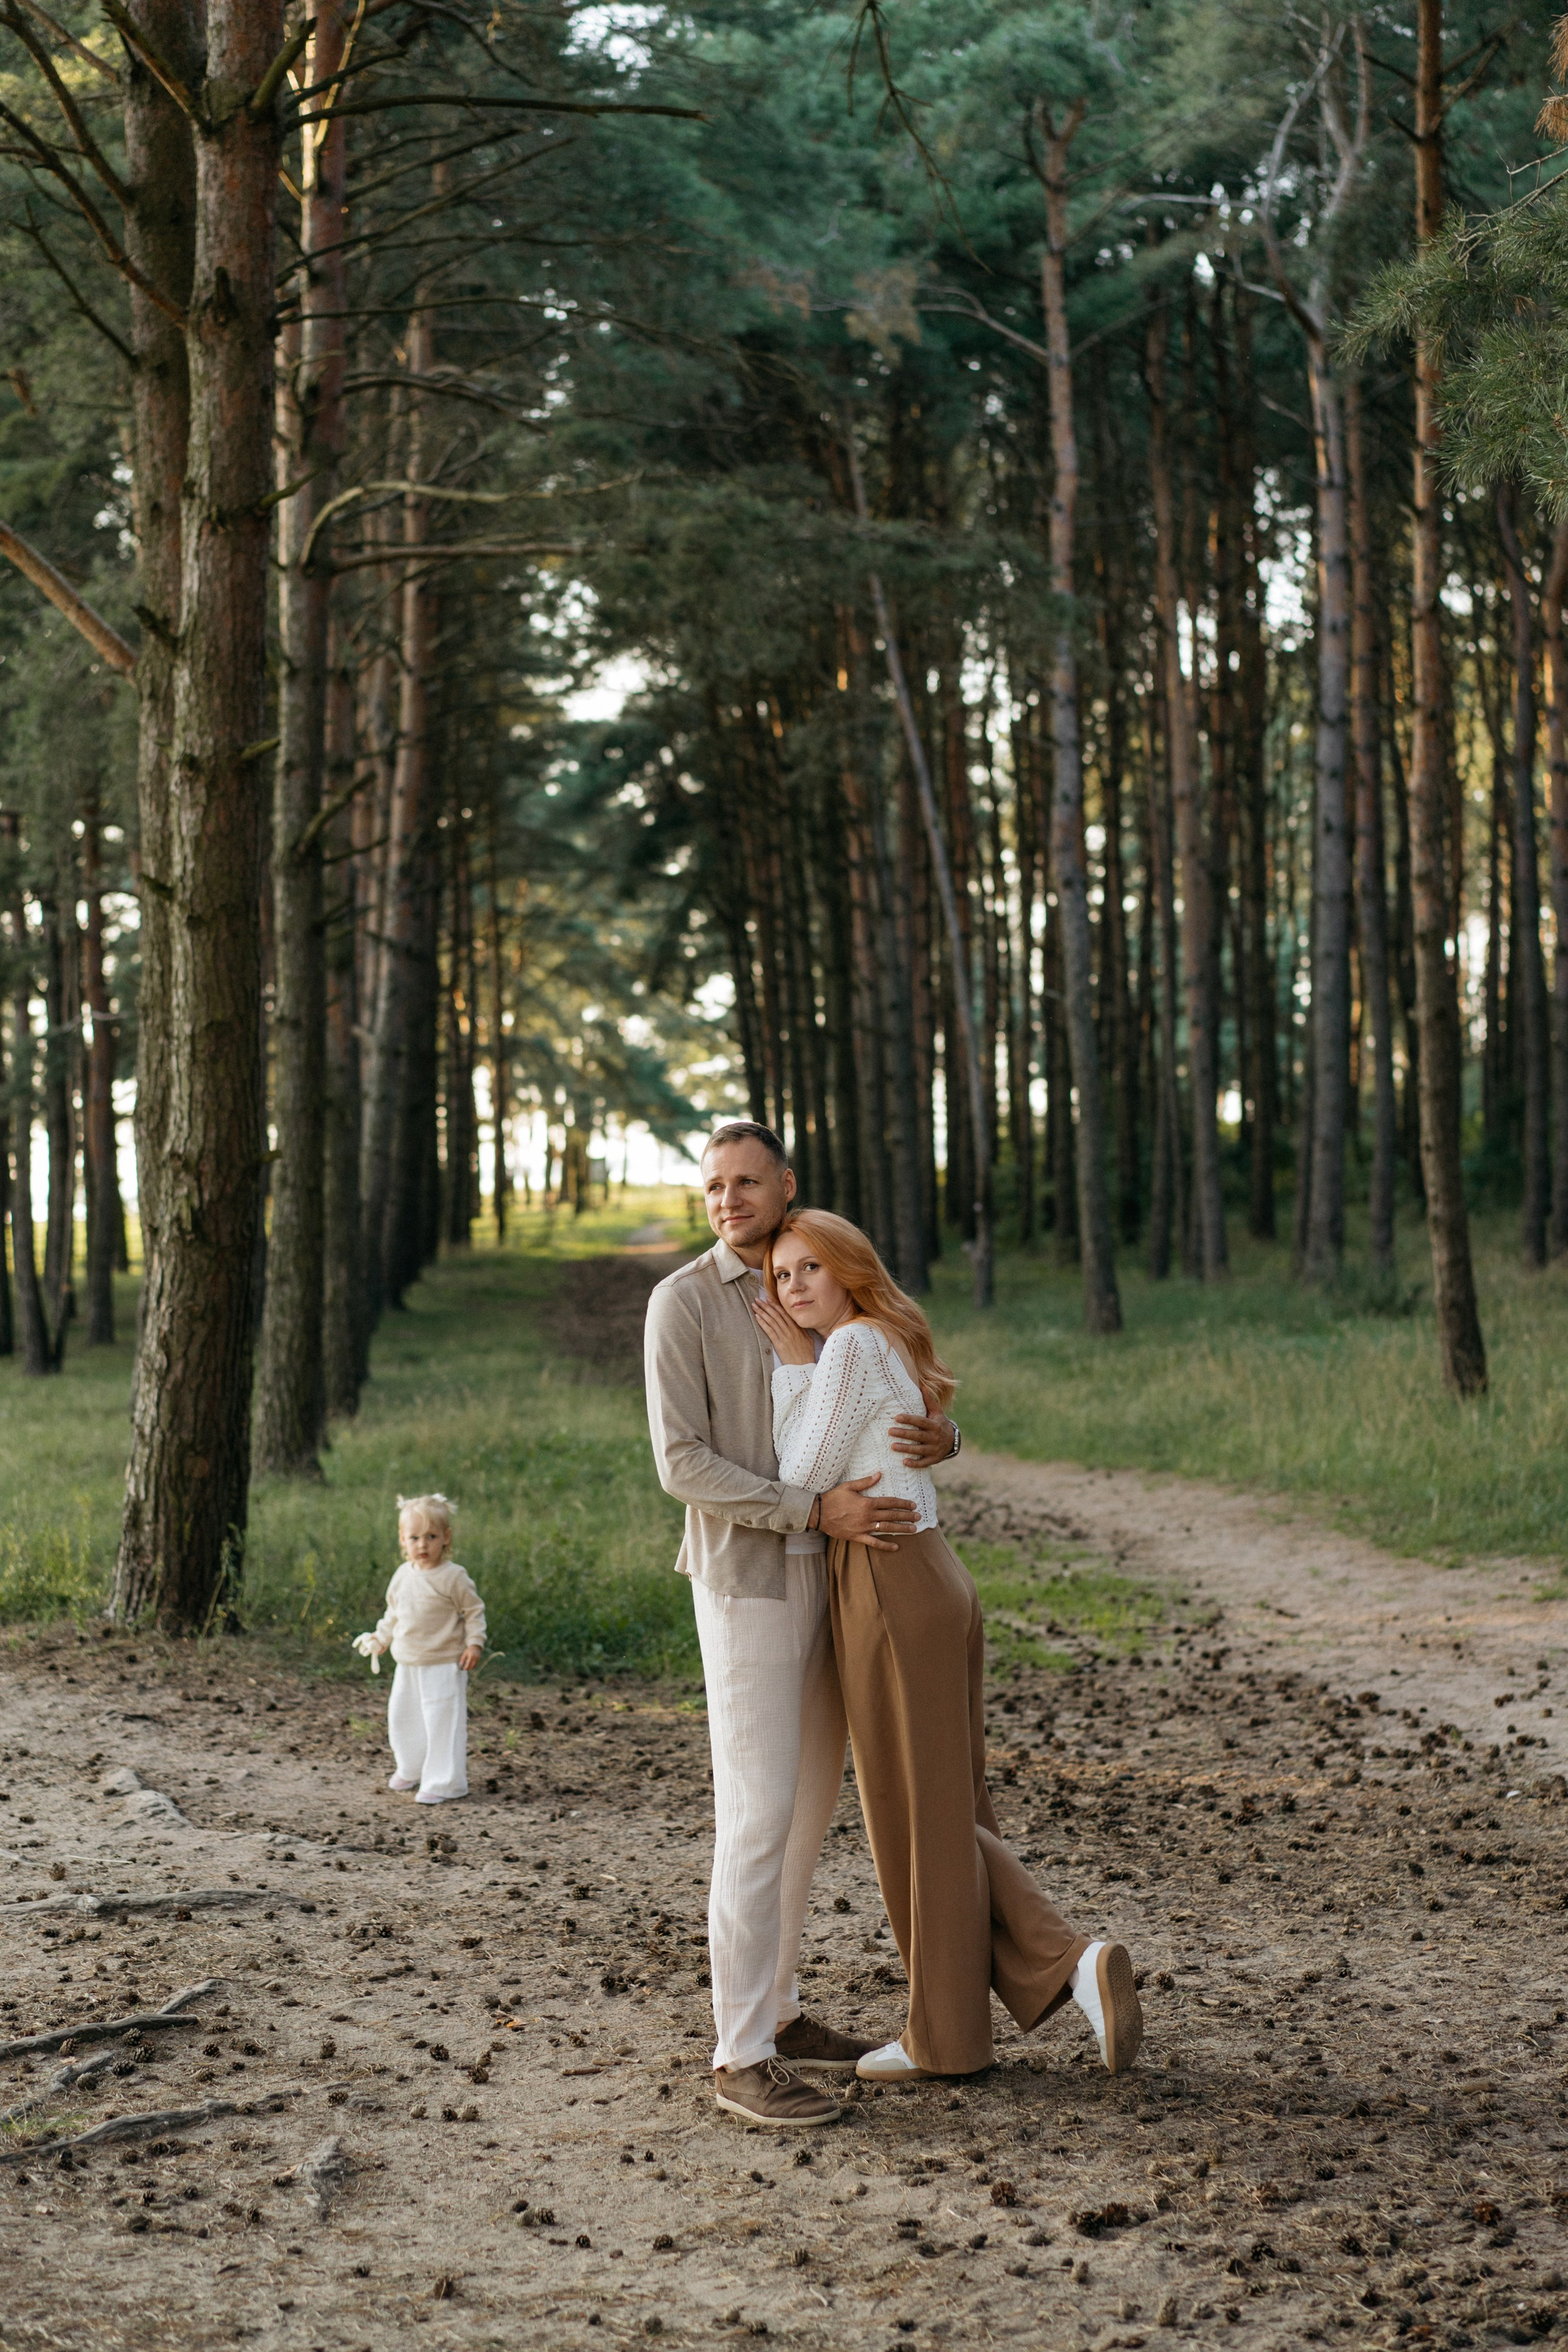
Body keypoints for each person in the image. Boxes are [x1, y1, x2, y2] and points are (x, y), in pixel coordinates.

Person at [753, 1207, 1143, 2082]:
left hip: (888, 1581)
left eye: (809, 1268)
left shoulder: (847, 1348)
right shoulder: (886, 1335)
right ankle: (971, 2023)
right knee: (949, 1809)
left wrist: (791, 1372)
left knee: (917, 1816)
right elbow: (917, 1439)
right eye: (780, 1276)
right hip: (931, 1574)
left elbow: (799, 1476)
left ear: (849, 1266)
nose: (793, 1288)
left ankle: (1052, 1972)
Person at [644, 1122, 960, 2129]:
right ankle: (740, 2055)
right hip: (750, 1580)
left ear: (786, 1185)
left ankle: (778, 2011)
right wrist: (810, 1510)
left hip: (841, 1578)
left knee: (809, 1810)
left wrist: (947, 1436)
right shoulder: (684, 1302)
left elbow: (890, 1388)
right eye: (713, 1187)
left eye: (746, 1182)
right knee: (756, 1815)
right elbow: (681, 1463)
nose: (728, 1200)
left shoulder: (812, 1277)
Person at [354, 1493, 486, 1806]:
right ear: (403, 1539)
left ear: (446, 1537)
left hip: (443, 1663)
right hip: (408, 1661)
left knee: (442, 1722)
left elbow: (473, 1611)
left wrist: (474, 1643)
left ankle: (444, 1782)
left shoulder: (453, 1576)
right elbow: (393, 1613)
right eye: (414, 1538)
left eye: (431, 1537)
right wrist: (381, 1638)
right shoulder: (403, 1575)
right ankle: (411, 1768)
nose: (423, 1545)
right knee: (404, 1717)